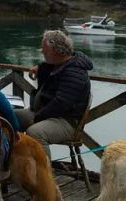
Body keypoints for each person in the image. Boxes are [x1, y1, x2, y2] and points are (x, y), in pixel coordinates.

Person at [14, 30, 92, 158]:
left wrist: (37, 118)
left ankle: (44, 174)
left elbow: (61, 104)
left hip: (66, 121)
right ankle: (13, 162)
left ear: (55, 50)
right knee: (6, 117)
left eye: (45, 49)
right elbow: (48, 66)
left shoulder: (74, 73)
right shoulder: (59, 63)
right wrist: (39, 66)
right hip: (44, 113)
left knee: (35, 132)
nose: (42, 51)